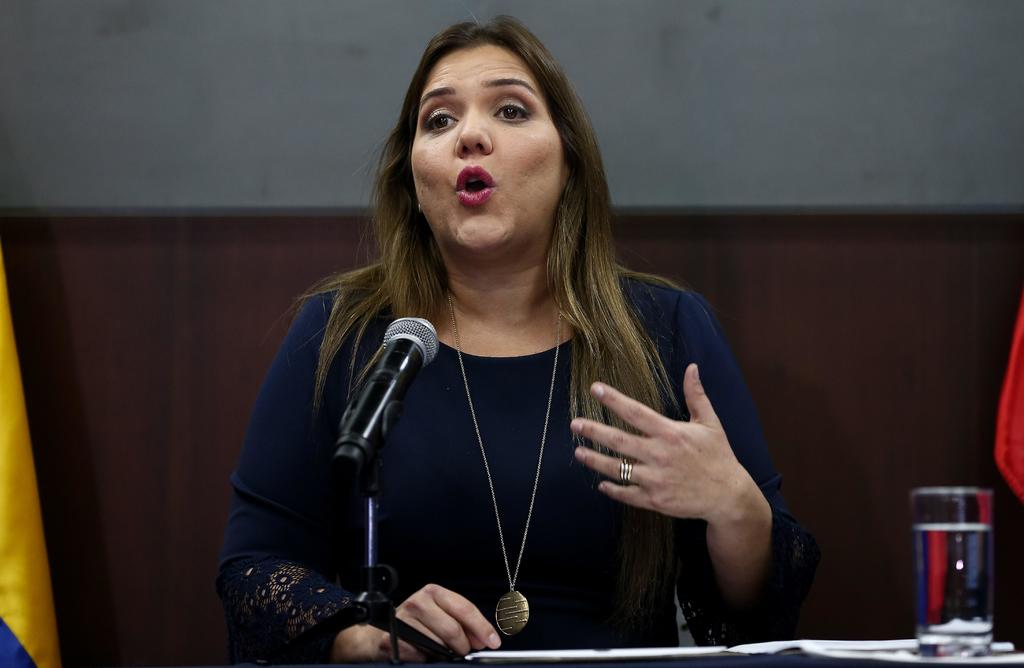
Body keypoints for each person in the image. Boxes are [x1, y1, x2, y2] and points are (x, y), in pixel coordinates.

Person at [217, 16, 819, 664]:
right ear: (412, 182)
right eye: (439, 120)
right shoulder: (345, 333)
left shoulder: (664, 328)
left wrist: (735, 508)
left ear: (569, 164)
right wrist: (362, 636)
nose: (470, 135)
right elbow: (253, 567)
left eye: (510, 110)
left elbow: (763, 610)